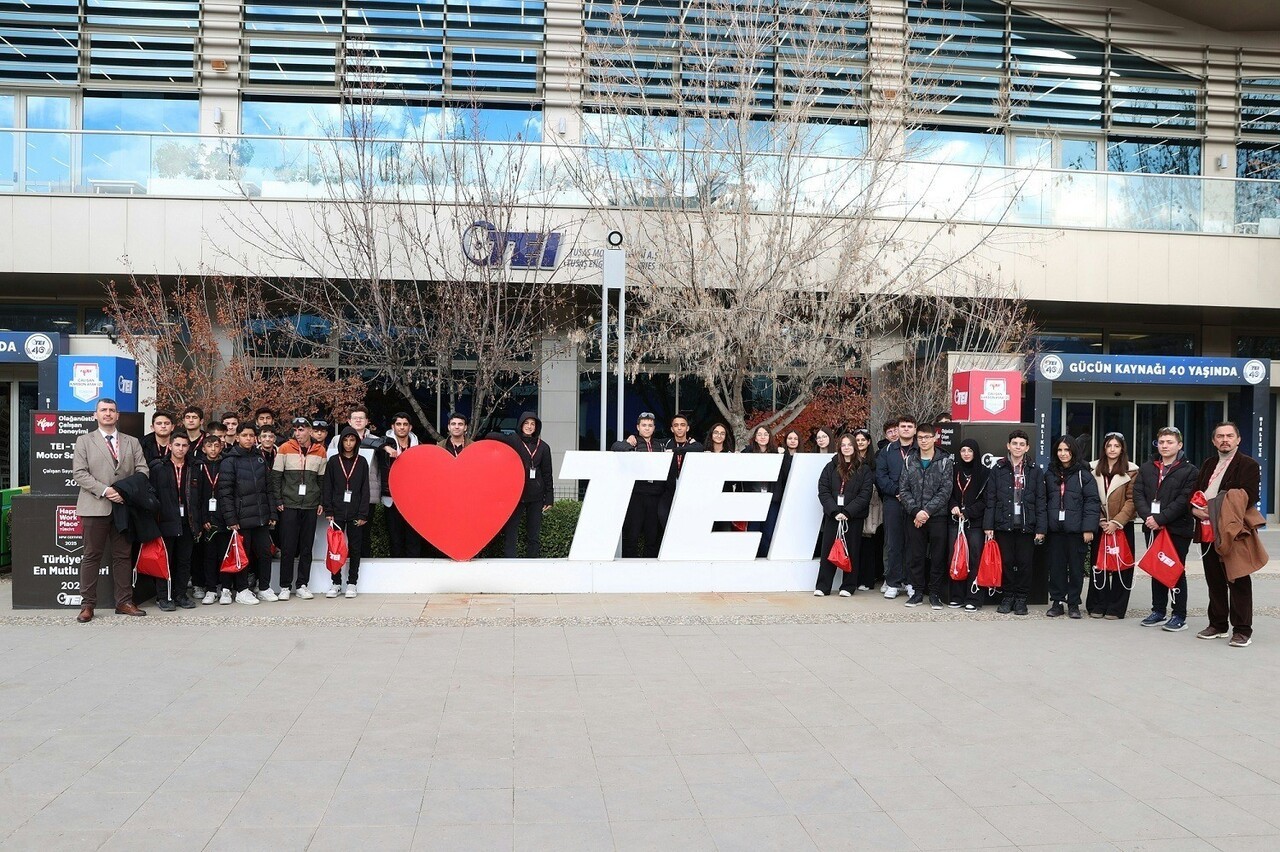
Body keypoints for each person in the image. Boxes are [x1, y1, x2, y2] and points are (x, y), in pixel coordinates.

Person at [71, 398, 150, 622]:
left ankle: (124, 601)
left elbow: (143, 470)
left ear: (118, 415)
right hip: (95, 506)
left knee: (123, 556)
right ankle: (87, 605)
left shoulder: (132, 442)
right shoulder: (84, 441)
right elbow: (80, 473)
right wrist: (106, 490)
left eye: (112, 410)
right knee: (91, 556)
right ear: (95, 414)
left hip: (124, 508)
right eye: (103, 410)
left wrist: (124, 491)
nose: (108, 413)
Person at [1192, 422, 1260, 647]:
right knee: (1214, 579)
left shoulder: (1248, 464)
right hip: (1207, 529)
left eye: (1229, 436)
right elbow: (1197, 491)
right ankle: (1218, 624)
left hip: (1232, 531)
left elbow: (1248, 496)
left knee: (1238, 578)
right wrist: (1194, 509)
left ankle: (1242, 630)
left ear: (1238, 439)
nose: (1225, 440)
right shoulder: (1209, 463)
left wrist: (1215, 507)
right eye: (1220, 436)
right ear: (1214, 441)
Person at [1133, 426, 1198, 632]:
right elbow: (1138, 494)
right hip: (1152, 527)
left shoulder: (1190, 471)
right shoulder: (1147, 467)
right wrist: (1148, 518)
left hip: (1177, 529)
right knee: (1156, 568)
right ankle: (1158, 611)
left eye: (1169, 442)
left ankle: (1179, 615)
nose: (1165, 446)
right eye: (1161, 442)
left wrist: (1161, 519)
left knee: (1175, 570)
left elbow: (1183, 500)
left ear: (1179, 445)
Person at [984, 429, 1046, 616]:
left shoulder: (1035, 470)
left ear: (1027, 447)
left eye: (1021, 444)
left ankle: (1021, 599)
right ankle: (1007, 596)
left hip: (1027, 525)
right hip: (1004, 524)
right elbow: (991, 498)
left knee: (1025, 563)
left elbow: (1041, 500)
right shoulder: (998, 469)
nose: (1018, 447)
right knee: (1007, 562)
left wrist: (1041, 528)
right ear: (1008, 446)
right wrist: (988, 525)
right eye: (1014, 443)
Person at [191, 434, 255, 605]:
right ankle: (211, 589)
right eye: (209, 446)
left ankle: (226, 589)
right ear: (203, 448)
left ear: (221, 447)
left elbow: (232, 492)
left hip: (226, 516)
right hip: (207, 519)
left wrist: (231, 517)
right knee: (209, 556)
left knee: (225, 555)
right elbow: (197, 497)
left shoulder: (227, 464)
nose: (213, 449)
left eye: (216, 446)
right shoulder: (198, 467)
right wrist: (203, 517)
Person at [219, 424, 278, 601]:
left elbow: (269, 489)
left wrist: (272, 513)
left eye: (251, 435)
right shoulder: (230, 461)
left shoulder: (260, 458)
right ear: (237, 437)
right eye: (244, 435)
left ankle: (265, 587)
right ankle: (242, 590)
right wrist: (231, 518)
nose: (248, 438)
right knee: (243, 555)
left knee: (265, 553)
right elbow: (225, 492)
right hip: (241, 518)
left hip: (261, 517)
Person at [1043, 436, 1101, 619]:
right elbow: (1043, 501)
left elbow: (1092, 503)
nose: (1063, 454)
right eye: (1060, 450)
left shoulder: (1084, 474)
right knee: (1057, 568)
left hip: (1077, 531)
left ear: (1073, 451)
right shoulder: (1050, 473)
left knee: (1076, 569)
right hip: (1055, 531)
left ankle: (1074, 603)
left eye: (1067, 450)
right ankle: (1057, 602)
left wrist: (1089, 528)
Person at [898, 421, 954, 609]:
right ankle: (917, 592)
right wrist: (916, 511)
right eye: (920, 437)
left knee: (937, 556)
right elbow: (903, 489)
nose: (923, 441)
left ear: (935, 438)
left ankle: (935, 594)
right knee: (916, 555)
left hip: (937, 517)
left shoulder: (945, 461)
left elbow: (945, 491)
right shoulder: (909, 459)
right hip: (914, 517)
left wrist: (927, 512)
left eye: (927, 437)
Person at [272, 417, 326, 600]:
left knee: (306, 547)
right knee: (288, 547)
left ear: (310, 431)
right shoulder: (285, 448)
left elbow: (322, 480)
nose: (298, 433)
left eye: (302, 429)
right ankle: (285, 586)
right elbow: (276, 477)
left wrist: (320, 501)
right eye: (295, 429)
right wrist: (278, 499)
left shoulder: (320, 450)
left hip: (310, 504)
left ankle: (302, 584)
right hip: (289, 504)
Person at [815, 434, 874, 596]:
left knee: (852, 550)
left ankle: (848, 586)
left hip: (852, 517)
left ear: (855, 447)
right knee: (828, 549)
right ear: (839, 447)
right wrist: (834, 511)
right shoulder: (830, 466)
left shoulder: (864, 468)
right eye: (843, 445)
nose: (846, 447)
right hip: (833, 515)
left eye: (849, 444)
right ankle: (823, 586)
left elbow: (865, 494)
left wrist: (848, 512)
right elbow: (823, 490)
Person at [1087, 433, 1138, 620]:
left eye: (1116, 446)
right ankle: (1098, 603)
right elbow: (1090, 497)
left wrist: (1117, 522)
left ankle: (1116, 607)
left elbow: (1132, 500)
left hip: (1122, 526)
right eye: (1109, 445)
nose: (1112, 449)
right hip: (1100, 525)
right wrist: (1100, 520)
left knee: (1121, 566)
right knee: (1098, 566)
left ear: (1122, 448)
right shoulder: (1092, 468)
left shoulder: (1132, 470)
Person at [149, 433, 197, 611]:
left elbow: (198, 497)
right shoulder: (158, 467)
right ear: (170, 446)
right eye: (177, 445)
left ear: (188, 447)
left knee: (184, 561)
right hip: (165, 520)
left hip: (187, 521)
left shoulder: (194, 467)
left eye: (184, 445)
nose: (181, 449)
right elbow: (150, 495)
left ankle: (181, 594)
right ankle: (164, 596)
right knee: (164, 561)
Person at [327, 406, 384, 558]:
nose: (358, 420)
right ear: (348, 421)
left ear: (367, 421)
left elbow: (380, 469)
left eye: (361, 418)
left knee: (363, 536)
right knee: (339, 538)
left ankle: (360, 568)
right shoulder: (337, 440)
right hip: (340, 498)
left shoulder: (377, 441)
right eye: (355, 418)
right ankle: (338, 569)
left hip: (367, 495)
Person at [323, 427, 371, 597]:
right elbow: (327, 486)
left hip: (356, 513)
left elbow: (365, 489)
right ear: (341, 441)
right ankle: (335, 583)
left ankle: (352, 582)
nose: (349, 444)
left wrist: (363, 514)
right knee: (335, 548)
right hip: (336, 512)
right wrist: (328, 510)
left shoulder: (362, 461)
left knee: (355, 548)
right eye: (346, 440)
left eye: (352, 440)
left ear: (356, 442)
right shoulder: (334, 461)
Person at [875, 415, 917, 599]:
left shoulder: (920, 450)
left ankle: (910, 582)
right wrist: (897, 492)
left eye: (909, 426)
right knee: (893, 543)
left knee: (913, 543)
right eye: (903, 426)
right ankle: (893, 582)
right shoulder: (887, 450)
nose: (906, 429)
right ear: (898, 429)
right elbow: (880, 477)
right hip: (893, 501)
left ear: (915, 429)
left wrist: (909, 495)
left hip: (915, 503)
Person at [502, 412, 554, 558]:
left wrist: (549, 498)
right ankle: (509, 560)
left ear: (536, 427)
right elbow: (491, 436)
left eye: (532, 424)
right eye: (526, 423)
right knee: (511, 531)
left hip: (536, 496)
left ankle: (533, 561)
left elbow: (547, 474)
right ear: (521, 425)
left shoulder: (543, 447)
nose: (529, 427)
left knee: (534, 533)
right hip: (516, 495)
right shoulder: (514, 440)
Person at [613, 412, 665, 558]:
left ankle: (650, 571)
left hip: (655, 496)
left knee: (652, 536)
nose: (647, 428)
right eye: (644, 425)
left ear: (654, 428)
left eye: (650, 425)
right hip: (636, 495)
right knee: (632, 534)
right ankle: (628, 570)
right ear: (638, 427)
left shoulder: (660, 444)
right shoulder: (633, 441)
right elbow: (615, 446)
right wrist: (628, 443)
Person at [949, 438, 988, 611]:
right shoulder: (953, 471)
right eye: (963, 450)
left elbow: (987, 499)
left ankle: (973, 597)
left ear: (975, 453)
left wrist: (969, 511)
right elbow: (947, 493)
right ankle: (956, 596)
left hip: (975, 523)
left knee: (974, 559)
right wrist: (954, 506)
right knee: (956, 558)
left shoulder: (984, 473)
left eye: (970, 451)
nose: (966, 454)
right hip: (955, 522)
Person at [380, 412, 423, 558]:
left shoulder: (419, 446)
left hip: (413, 500)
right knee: (395, 539)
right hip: (392, 498)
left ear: (410, 427)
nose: (402, 427)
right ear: (393, 426)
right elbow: (366, 442)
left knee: (413, 538)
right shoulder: (385, 442)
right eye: (398, 424)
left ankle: (414, 572)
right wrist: (385, 447)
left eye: (405, 424)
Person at [741, 424, 779, 557]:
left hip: (771, 499)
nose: (762, 437)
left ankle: (764, 557)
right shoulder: (747, 453)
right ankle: (751, 556)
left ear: (770, 437)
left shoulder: (777, 453)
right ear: (755, 438)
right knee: (753, 529)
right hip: (754, 499)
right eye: (759, 434)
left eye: (765, 434)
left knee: (769, 531)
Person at [853, 429, 884, 592]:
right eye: (857, 440)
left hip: (872, 504)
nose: (860, 443)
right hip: (854, 505)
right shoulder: (850, 459)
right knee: (855, 542)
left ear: (869, 442)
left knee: (869, 542)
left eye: (862, 440)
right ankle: (855, 578)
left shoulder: (876, 460)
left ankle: (868, 578)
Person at [659, 414, 702, 529]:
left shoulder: (693, 445)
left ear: (687, 428)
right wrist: (631, 438)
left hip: (687, 493)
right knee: (665, 522)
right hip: (668, 492)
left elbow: (699, 448)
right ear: (672, 429)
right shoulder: (665, 443)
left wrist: (675, 450)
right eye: (676, 425)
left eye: (682, 425)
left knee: (686, 526)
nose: (679, 428)